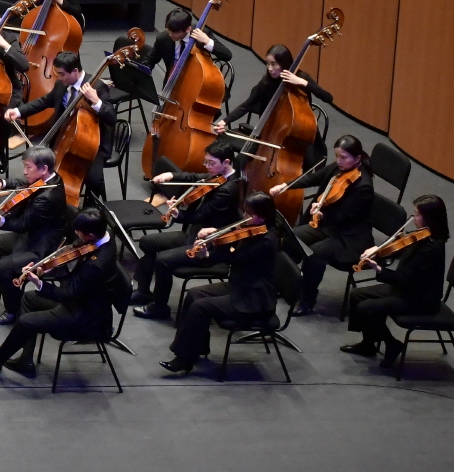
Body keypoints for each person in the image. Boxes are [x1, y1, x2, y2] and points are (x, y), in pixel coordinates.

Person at [0, 207, 120, 377]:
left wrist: (38, 282)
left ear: (90, 236)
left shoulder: (96, 265)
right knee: (28, 299)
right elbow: (75, 249)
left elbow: (66, 293)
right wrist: (47, 265)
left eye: (79, 232)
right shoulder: (105, 235)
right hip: (83, 300)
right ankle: (25, 361)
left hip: (85, 317)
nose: (76, 234)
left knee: (25, 321)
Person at [159, 194, 285, 375]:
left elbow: (234, 257)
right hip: (240, 284)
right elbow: (234, 238)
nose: (245, 217)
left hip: (254, 298)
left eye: (250, 214)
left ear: (263, 216)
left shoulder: (266, 241)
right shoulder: (254, 227)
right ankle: (197, 348)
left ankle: (184, 359)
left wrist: (209, 252)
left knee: (200, 307)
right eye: (245, 212)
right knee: (193, 294)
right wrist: (215, 232)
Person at [130, 139, 246, 317]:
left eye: (211, 163)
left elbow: (199, 216)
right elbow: (194, 177)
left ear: (226, 162)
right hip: (193, 234)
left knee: (163, 260)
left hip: (209, 246)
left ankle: (159, 307)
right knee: (147, 242)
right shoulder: (218, 174)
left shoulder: (228, 190)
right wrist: (171, 175)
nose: (207, 166)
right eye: (205, 161)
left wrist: (178, 214)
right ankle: (143, 291)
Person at [343, 194, 450, 369]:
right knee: (357, 295)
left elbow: (402, 278)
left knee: (366, 308)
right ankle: (368, 344)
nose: (414, 217)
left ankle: (392, 344)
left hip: (420, 299)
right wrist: (378, 249)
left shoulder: (431, 249)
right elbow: (403, 246)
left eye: (417, 214)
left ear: (429, 218)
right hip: (408, 289)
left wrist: (378, 268)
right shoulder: (423, 235)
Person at [0, 148, 66, 319]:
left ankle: (14, 311)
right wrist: (1, 183)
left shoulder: (48, 196)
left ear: (44, 168)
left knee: (3, 268)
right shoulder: (48, 178)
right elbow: (23, 183)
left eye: (28, 167)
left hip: (41, 248)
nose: (24, 171)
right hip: (31, 237)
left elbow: (23, 224)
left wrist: (0, 220)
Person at [274, 135, 376, 316]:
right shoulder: (338, 169)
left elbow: (344, 216)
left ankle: (307, 300)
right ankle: (288, 284)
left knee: (315, 255)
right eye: (337, 156)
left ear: (358, 158)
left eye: (343, 157)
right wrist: (286, 185)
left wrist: (322, 214)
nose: (339, 161)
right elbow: (315, 178)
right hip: (329, 225)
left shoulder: (364, 186)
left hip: (349, 237)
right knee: (291, 237)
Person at [3, 50, 115, 178]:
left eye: (62, 74)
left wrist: (96, 101)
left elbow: (111, 118)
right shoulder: (62, 84)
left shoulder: (97, 87)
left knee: (93, 179)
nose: (59, 78)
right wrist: (18, 112)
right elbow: (45, 101)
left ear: (75, 71)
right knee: (48, 171)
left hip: (92, 144)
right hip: (64, 138)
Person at [222, 43, 334, 136]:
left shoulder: (301, 78)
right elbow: (246, 106)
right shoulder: (266, 83)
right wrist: (224, 121)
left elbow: (328, 98)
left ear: (284, 64)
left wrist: (304, 83)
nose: (270, 68)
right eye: (268, 64)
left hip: (300, 135)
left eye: (274, 64)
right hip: (271, 133)